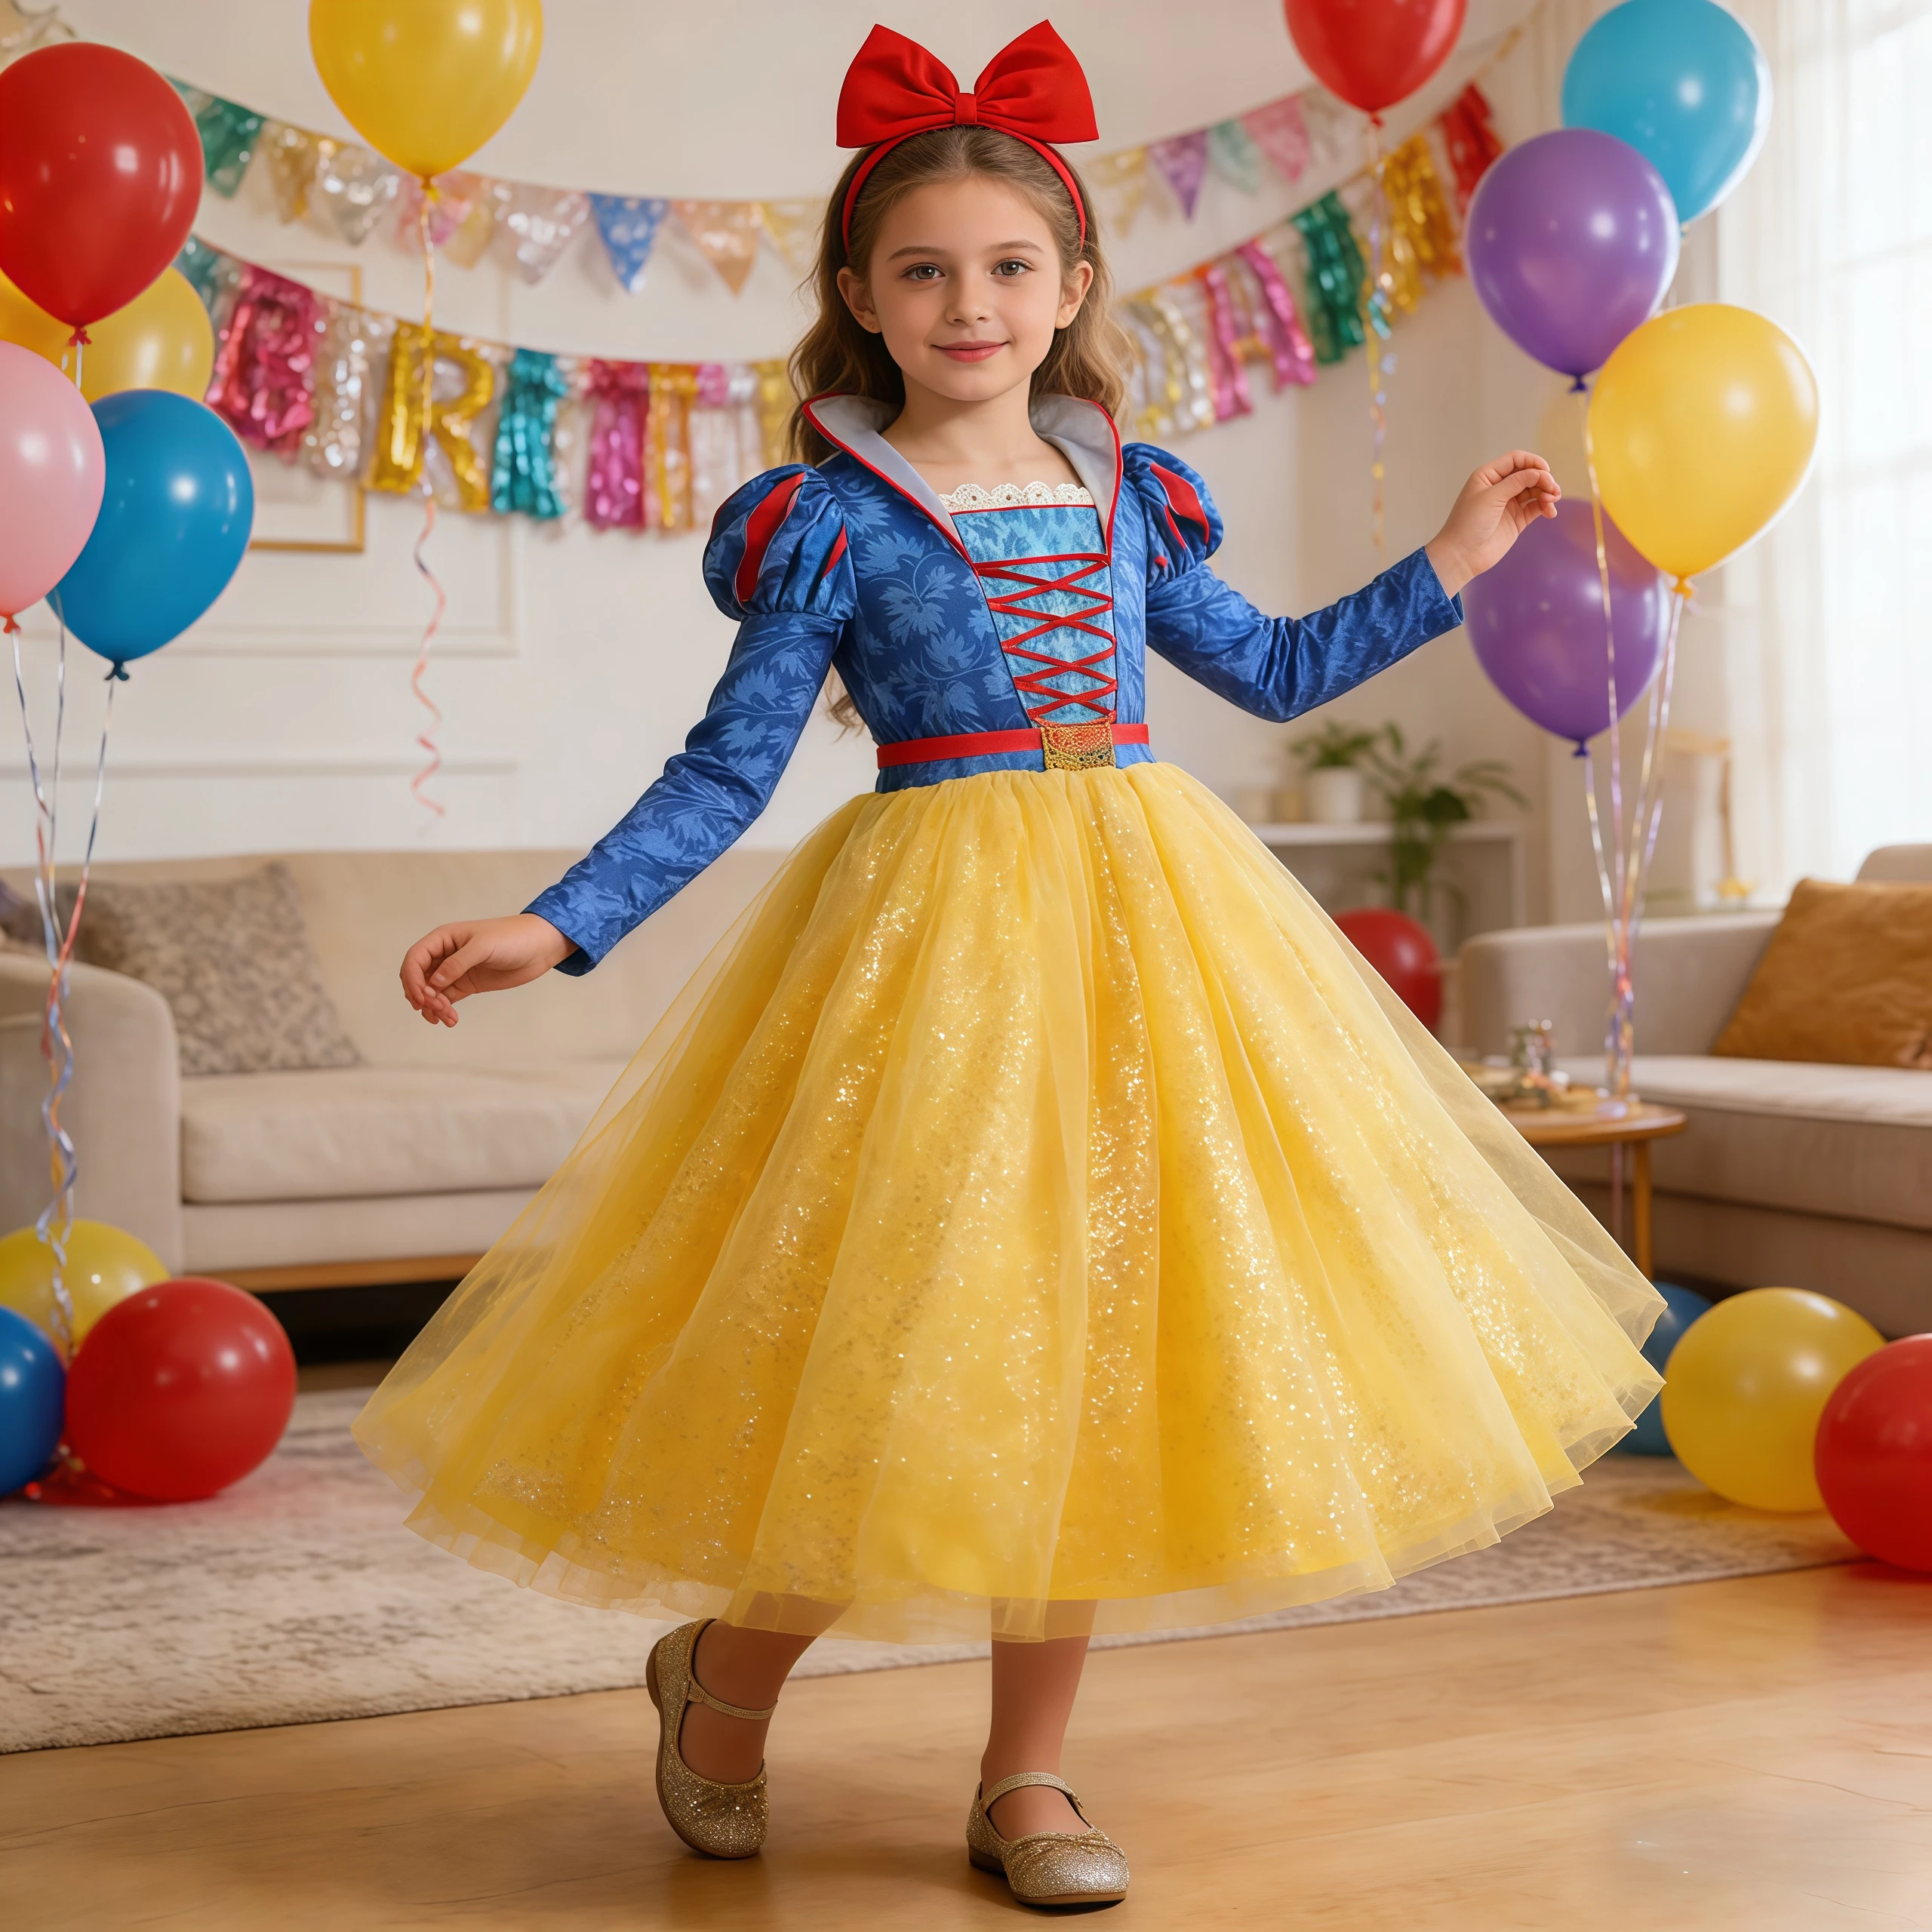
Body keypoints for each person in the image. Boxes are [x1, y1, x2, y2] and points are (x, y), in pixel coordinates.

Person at [358, 22, 1663, 1911]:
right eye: (921, 269)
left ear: (1069, 290)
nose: (967, 301)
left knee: (1094, 1364)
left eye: (1004, 266)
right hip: (931, 955)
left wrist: (1447, 560)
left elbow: (1274, 672)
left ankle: (1027, 1773)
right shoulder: (824, 515)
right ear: (858, 299)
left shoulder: (1133, 494)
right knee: (888, 1356)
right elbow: (727, 765)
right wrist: (557, 922)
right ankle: (721, 1682)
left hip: (1153, 935)